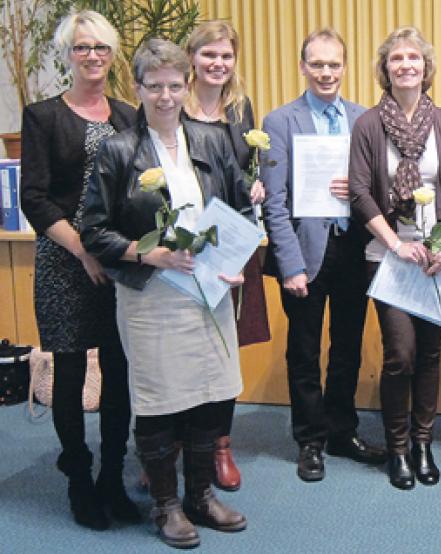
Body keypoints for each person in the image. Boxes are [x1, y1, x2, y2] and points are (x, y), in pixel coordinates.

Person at [80, 39, 248, 549]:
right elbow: (92, 230)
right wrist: (144, 252)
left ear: (187, 85)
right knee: (158, 401)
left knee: (209, 393)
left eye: (176, 85)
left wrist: (234, 260)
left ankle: (200, 496)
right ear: (138, 88)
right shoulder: (118, 149)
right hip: (151, 293)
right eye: (155, 86)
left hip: (208, 290)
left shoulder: (211, 140)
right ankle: (167, 505)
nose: (166, 96)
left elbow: (239, 205)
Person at [19, 10, 138, 531]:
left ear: (113, 56)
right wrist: (83, 251)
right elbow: (36, 198)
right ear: (68, 54)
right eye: (82, 47)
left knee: (119, 370)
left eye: (102, 48)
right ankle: (79, 478)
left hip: (117, 262)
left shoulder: (129, 116)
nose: (93, 56)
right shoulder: (43, 115)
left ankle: (113, 474)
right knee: (69, 371)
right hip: (65, 261)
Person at [261, 27, 385, 484]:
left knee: (347, 347)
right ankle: (310, 439)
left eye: (334, 64)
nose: (326, 72)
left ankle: (341, 429)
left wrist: (358, 190)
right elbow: (273, 202)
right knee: (304, 351)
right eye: (317, 64)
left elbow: (380, 187)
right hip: (305, 254)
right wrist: (289, 263)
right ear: (303, 67)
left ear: (345, 67)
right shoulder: (281, 122)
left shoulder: (364, 118)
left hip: (354, 247)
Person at [349, 26, 441, 490]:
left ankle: (423, 443)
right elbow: (360, 191)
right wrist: (396, 244)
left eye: (413, 58)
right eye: (396, 58)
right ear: (385, 68)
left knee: (432, 354)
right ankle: (397, 448)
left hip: (436, 259)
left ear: (426, 67)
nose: (405, 65)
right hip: (389, 256)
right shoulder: (368, 124)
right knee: (400, 355)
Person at [184, 18, 270, 493]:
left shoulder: (240, 108)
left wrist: (253, 185)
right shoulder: (172, 105)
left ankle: (219, 445)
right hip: (187, 246)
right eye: (209, 55)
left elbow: (243, 171)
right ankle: (175, 445)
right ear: (192, 58)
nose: (218, 63)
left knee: (224, 348)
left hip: (233, 241)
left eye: (226, 56)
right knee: (185, 346)